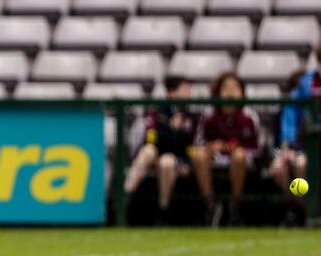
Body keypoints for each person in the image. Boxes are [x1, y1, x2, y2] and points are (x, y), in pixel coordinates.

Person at [124, 76, 198, 225]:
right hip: (156, 153)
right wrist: (170, 129)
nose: (188, 94)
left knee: (167, 162)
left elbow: (193, 145)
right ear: (171, 93)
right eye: (185, 90)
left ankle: (163, 210)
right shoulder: (157, 112)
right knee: (148, 151)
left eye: (189, 90)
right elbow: (150, 138)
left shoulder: (192, 117)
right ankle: (124, 197)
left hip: (175, 158)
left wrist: (186, 161)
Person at [191, 72, 260, 227]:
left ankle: (235, 207)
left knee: (239, 156)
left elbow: (257, 149)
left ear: (242, 93)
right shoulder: (209, 116)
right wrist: (211, 147)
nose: (230, 92)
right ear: (218, 92)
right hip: (216, 156)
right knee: (198, 155)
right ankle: (210, 206)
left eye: (235, 87)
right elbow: (198, 143)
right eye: (226, 87)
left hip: (241, 159)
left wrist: (234, 148)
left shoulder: (250, 116)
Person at [269, 69, 307, 226]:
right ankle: (298, 205)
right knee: (277, 167)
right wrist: (286, 151)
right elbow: (286, 134)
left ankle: (306, 209)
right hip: (293, 149)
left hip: (310, 150)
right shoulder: (290, 105)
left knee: (301, 164)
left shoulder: (313, 101)